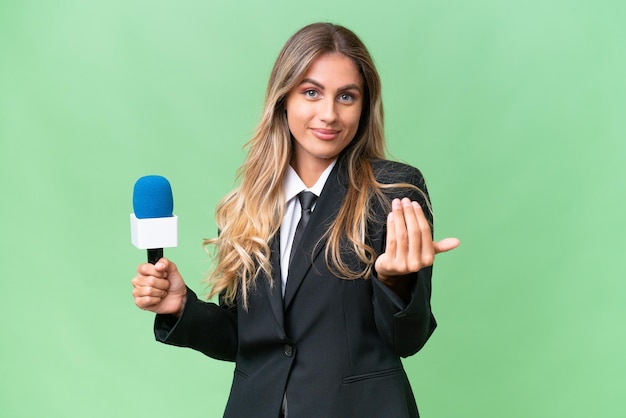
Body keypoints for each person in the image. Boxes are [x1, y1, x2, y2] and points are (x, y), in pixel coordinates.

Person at [131, 22, 459, 418]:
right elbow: (249, 341)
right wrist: (181, 308)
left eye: (347, 97)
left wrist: (395, 281)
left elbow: (408, 339)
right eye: (311, 92)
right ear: (283, 99)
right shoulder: (244, 208)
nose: (329, 114)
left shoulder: (392, 192)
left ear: (364, 106)